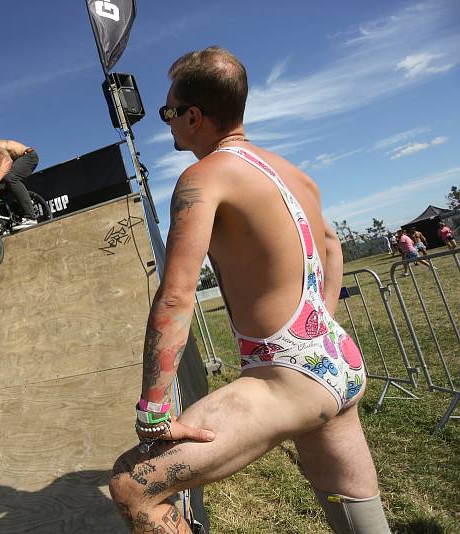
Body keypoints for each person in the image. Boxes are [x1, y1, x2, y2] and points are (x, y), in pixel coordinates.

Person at [108, 47, 390, 533]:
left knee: (132, 486)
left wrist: (155, 410)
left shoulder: (203, 177)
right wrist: (315, 329)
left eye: (168, 112)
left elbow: (176, 296)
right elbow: (332, 246)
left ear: (193, 116)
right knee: (357, 518)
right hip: (336, 357)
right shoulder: (293, 173)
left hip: (287, 374)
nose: (167, 122)